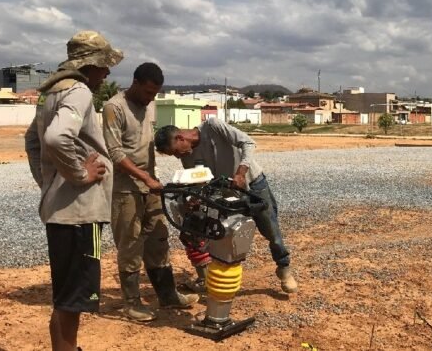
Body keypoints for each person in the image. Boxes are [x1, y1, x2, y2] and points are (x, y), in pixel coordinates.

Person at [25, 30, 123, 351]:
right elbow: (55, 138)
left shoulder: (50, 92)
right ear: (91, 65)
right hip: (81, 215)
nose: (107, 72)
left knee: (65, 296)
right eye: (104, 66)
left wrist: (50, 184)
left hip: (61, 211)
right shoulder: (78, 91)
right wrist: (80, 175)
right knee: (73, 300)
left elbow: (33, 142)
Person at [153, 119, 298, 294]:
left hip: (252, 184)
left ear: (180, 138)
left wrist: (241, 173)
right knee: (224, 235)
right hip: (226, 194)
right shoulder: (188, 156)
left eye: (175, 152)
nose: (178, 156)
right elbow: (197, 181)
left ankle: (284, 269)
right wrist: (195, 198)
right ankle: (220, 278)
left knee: (271, 230)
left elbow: (248, 142)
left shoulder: (212, 127)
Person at [102, 63, 198, 322]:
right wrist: (144, 176)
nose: (150, 98)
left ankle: (167, 295)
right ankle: (132, 303)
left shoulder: (150, 105)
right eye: (147, 92)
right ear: (134, 82)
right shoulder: (114, 107)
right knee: (131, 245)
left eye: (154, 94)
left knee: (158, 238)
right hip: (125, 190)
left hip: (151, 186)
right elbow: (115, 153)